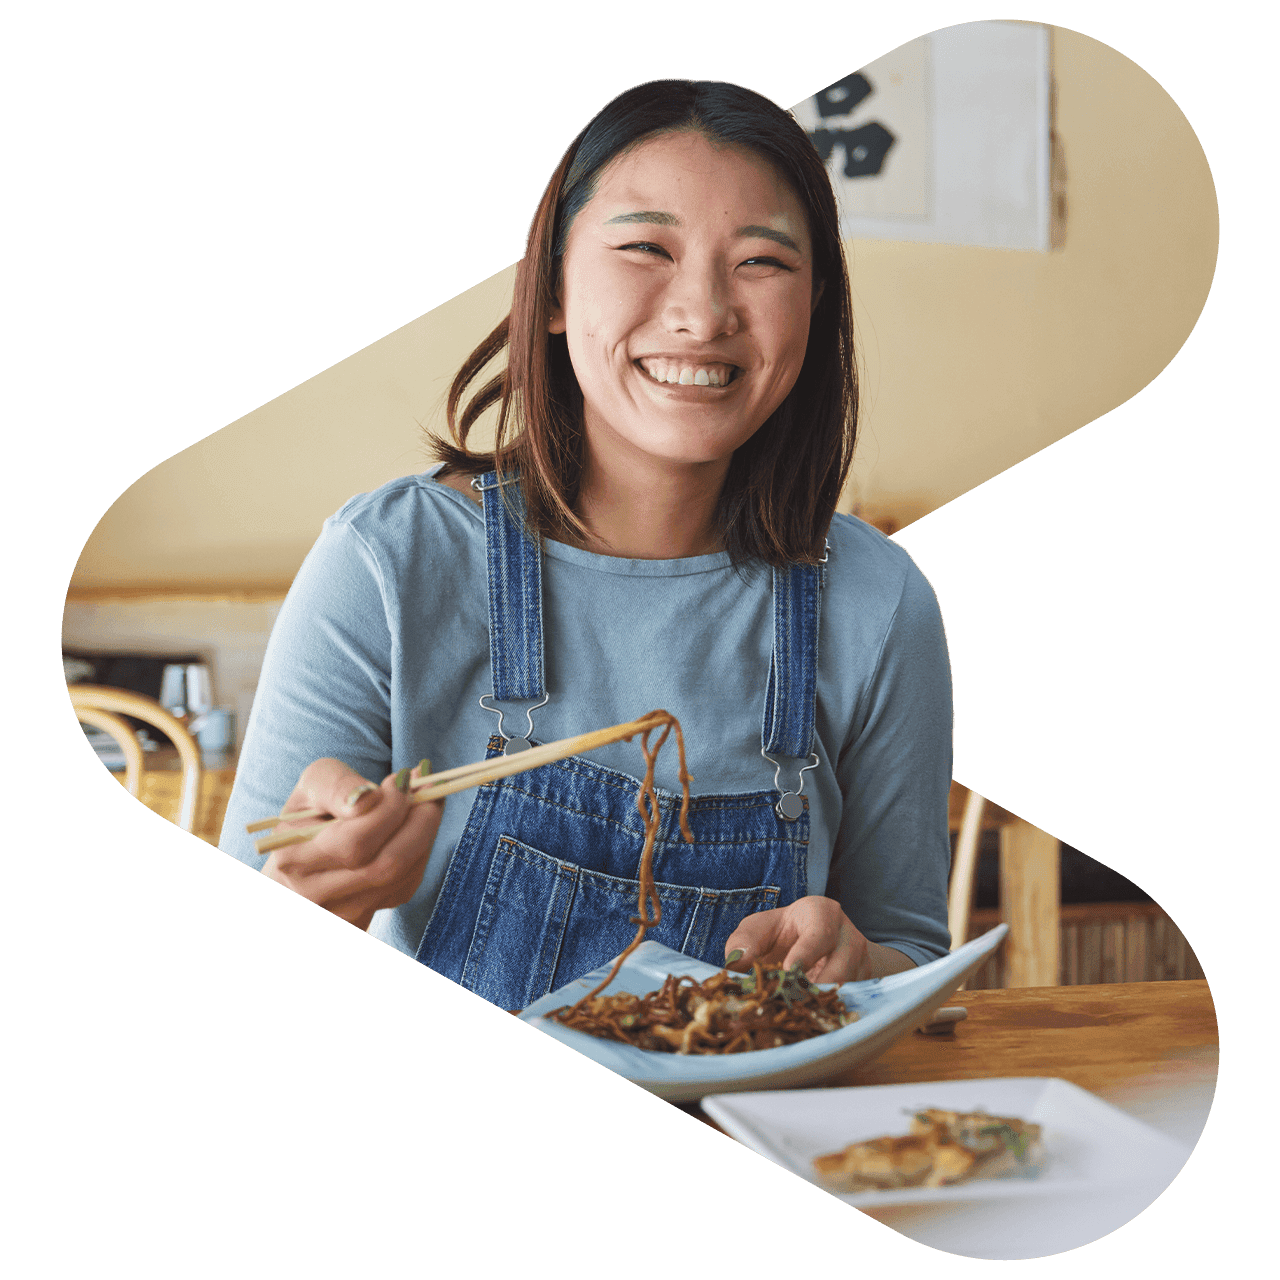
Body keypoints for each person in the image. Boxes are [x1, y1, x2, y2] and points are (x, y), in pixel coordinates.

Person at [219, 80, 953, 1013]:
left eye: (762, 261)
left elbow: (912, 965)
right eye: (646, 248)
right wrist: (313, 899)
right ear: (554, 289)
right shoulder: (387, 563)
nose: (704, 313)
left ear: (816, 308)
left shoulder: (877, 601)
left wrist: (857, 964)